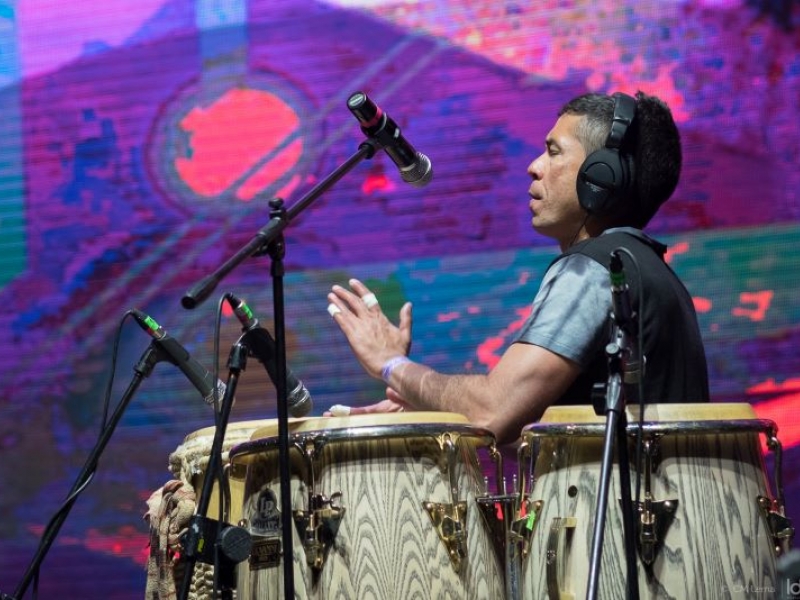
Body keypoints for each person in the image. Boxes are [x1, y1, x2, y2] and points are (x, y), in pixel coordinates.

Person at [325, 91, 710, 444]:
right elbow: (538, 436)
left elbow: (493, 412)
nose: (533, 166)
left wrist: (392, 365)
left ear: (601, 177)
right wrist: (430, 406)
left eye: (554, 152)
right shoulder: (647, 268)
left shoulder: (592, 270)